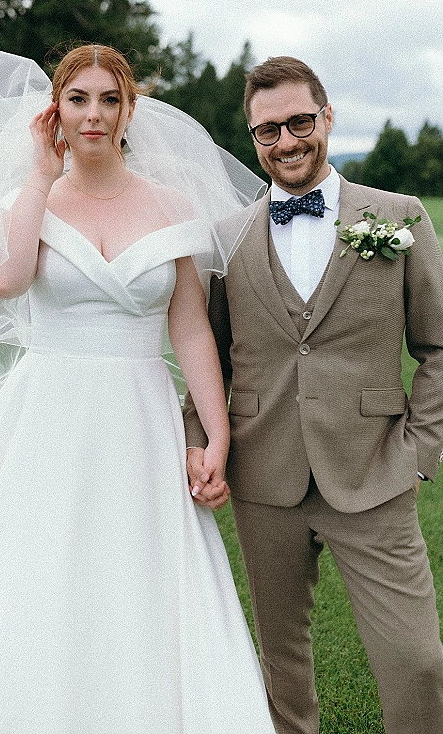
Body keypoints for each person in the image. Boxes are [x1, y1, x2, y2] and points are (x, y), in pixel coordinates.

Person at [0, 42, 275, 733]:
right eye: (78, 99)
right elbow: (4, 279)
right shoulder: (27, 199)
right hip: (44, 417)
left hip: (139, 419)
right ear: (55, 109)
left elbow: (193, 332)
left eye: (109, 99)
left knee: (134, 579)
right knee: (32, 572)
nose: (94, 114)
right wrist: (36, 176)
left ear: (129, 110)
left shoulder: (171, 205)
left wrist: (218, 434)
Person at [185, 55, 443, 734]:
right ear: (253, 137)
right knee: (280, 668)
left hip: (375, 471)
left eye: (300, 121)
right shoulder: (224, 237)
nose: (287, 140)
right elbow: (206, 355)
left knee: (417, 660)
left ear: (327, 118)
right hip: (263, 476)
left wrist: (421, 452)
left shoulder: (400, 217)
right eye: (268, 130)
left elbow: (438, 347)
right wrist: (198, 440)